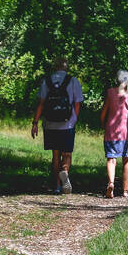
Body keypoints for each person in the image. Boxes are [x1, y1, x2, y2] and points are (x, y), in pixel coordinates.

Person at [31, 58, 83, 195]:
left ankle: (57, 186)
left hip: (50, 124)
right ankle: (64, 173)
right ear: (66, 67)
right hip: (67, 123)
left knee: (55, 155)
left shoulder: (47, 81)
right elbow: (77, 103)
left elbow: (41, 103)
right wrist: (74, 120)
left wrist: (35, 123)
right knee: (67, 153)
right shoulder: (73, 81)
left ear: (55, 67)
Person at [99, 69, 128, 198]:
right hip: (127, 133)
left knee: (111, 158)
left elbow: (104, 112)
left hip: (111, 131)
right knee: (127, 159)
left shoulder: (110, 93)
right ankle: (125, 191)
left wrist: (103, 125)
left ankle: (111, 183)